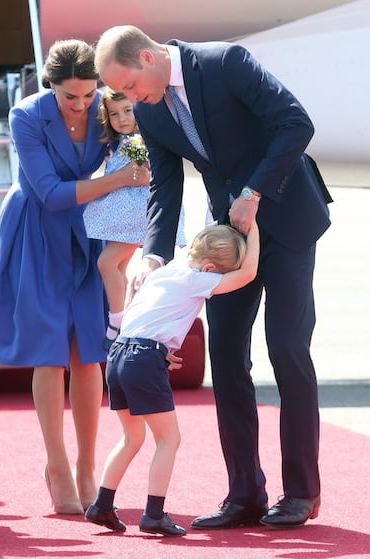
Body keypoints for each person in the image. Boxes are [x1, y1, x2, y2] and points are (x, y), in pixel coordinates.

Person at [94, 25, 333, 529]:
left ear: (147, 57)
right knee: (225, 355)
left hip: (287, 217)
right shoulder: (153, 110)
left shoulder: (225, 62)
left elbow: (296, 123)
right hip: (226, 242)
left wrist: (253, 192)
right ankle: (244, 493)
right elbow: (164, 187)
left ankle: (301, 493)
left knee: (287, 347)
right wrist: (154, 258)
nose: (132, 101)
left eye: (132, 87)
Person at [0, 39, 148, 515]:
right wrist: (120, 180)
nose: (81, 104)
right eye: (69, 96)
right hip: (36, 230)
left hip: (89, 230)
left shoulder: (107, 105)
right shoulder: (26, 116)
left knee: (88, 351)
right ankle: (56, 466)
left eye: (87, 94)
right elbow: (52, 194)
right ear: (50, 85)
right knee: (50, 350)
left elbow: (140, 148)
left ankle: (85, 467)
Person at [85, 221, 260, 536]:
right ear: (208, 267)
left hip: (120, 353)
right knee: (169, 439)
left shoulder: (161, 272)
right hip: (144, 359)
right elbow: (247, 274)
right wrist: (254, 226)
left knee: (131, 438)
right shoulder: (196, 279)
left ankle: (102, 504)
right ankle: (153, 513)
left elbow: (146, 313)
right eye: (217, 275)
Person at [83, 87, 185, 350]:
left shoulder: (137, 142)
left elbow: (146, 174)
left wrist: (139, 174)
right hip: (131, 214)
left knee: (106, 262)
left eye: (128, 111)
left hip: (137, 214)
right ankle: (124, 316)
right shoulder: (125, 142)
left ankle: (117, 321)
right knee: (116, 267)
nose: (122, 119)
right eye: (114, 114)